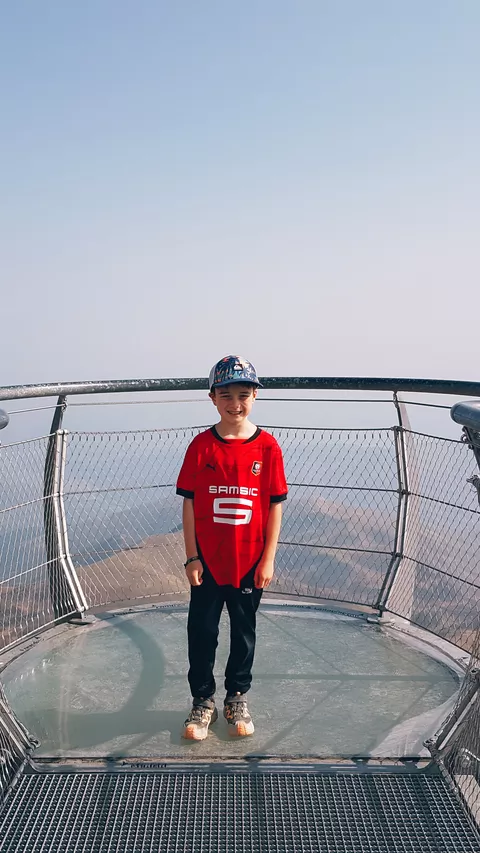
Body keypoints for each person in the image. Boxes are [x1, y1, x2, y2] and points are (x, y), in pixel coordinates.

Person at [176, 355, 288, 740]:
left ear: (255, 396)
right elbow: (189, 502)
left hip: (249, 561)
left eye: (243, 394)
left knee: (243, 632)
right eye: (226, 395)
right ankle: (202, 701)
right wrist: (191, 556)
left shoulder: (268, 448)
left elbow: (275, 505)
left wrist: (268, 558)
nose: (235, 404)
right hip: (207, 562)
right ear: (212, 398)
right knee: (202, 631)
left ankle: (237, 696)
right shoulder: (201, 447)